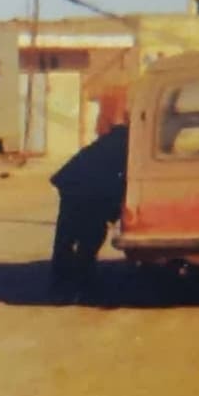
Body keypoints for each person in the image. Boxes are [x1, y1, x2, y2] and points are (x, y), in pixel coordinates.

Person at [49, 121, 129, 303]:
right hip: (82, 188)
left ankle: (64, 283)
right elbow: (116, 182)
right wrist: (113, 212)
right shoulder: (122, 146)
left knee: (67, 238)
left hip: (74, 185)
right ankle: (79, 284)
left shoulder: (111, 142)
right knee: (88, 238)